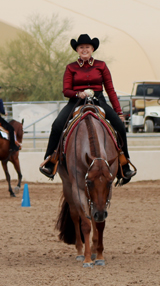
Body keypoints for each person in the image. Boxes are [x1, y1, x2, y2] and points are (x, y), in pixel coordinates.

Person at [39, 34, 136, 181]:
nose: (84, 50)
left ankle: (124, 163)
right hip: (76, 102)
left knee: (120, 126)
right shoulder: (70, 67)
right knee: (57, 125)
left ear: (92, 49)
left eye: (87, 47)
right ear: (77, 50)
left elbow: (110, 90)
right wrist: (79, 94)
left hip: (99, 101)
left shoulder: (101, 65)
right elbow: (66, 91)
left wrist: (119, 112)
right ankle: (50, 161)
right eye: (81, 47)